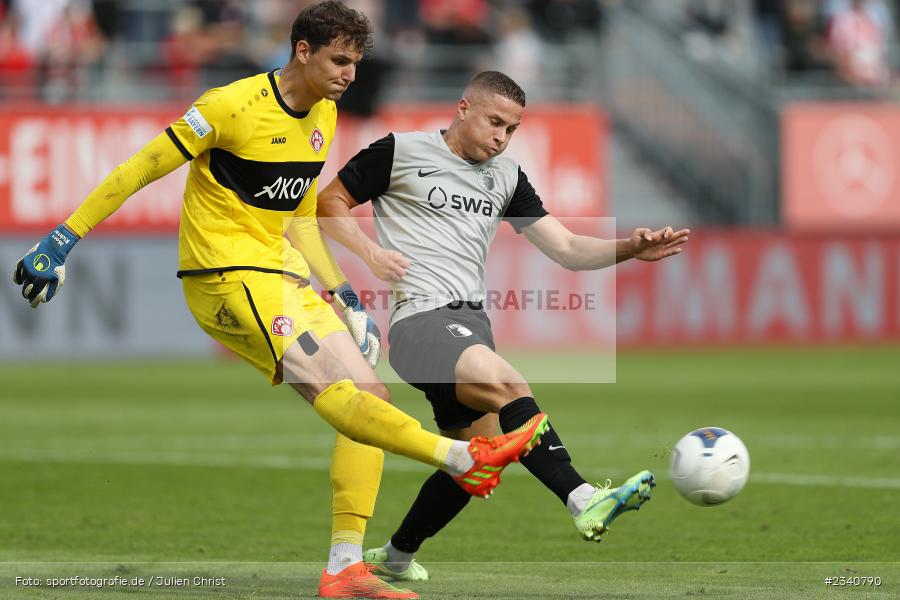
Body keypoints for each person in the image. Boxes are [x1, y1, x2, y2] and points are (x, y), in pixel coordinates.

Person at [11, 7, 549, 598]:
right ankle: (458, 456)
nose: (349, 74)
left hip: (282, 271)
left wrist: (344, 293)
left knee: (370, 395)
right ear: (302, 51)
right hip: (223, 274)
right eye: (339, 60)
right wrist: (62, 239)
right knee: (333, 390)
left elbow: (298, 213)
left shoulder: (323, 113)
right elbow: (139, 169)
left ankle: (345, 567)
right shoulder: (229, 106)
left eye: (355, 63)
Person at [316, 70, 690, 582]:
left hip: (471, 324)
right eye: (495, 122)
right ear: (464, 107)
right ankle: (583, 498)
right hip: (421, 321)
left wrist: (631, 247)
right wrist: (370, 253)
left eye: (511, 129)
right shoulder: (399, 151)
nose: (501, 137)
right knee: (512, 385)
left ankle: (398, 554)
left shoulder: (507, 175)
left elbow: (568, 248)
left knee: (478, 460)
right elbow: (327, 204)